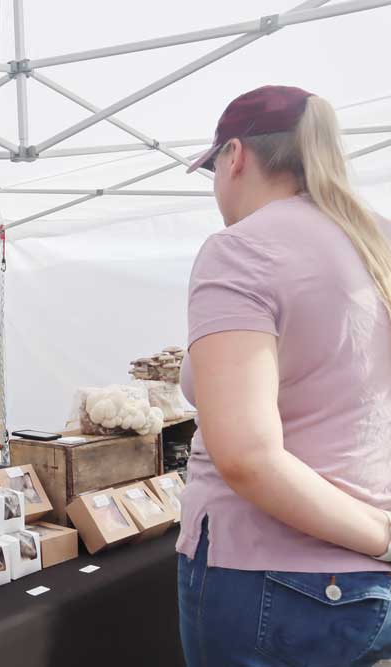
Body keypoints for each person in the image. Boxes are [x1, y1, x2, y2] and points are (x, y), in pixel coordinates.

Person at [177, 86, 391, 666]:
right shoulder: (378, 239)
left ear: (236, 156)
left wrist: (383, 537)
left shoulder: (241, 250)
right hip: (366, 590)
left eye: (213, 167)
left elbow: (246, 456)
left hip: (269, 580)